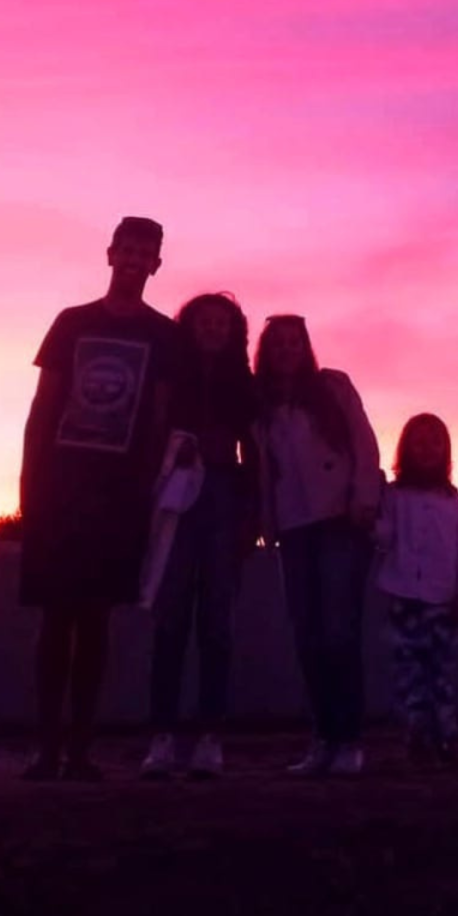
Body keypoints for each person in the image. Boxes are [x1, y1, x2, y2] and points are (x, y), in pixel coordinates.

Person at [18, 216, 187, 781]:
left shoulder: (164, 336)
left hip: (120, 496)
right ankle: (44, 748)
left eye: (148, 253)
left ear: (157, 264)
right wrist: (30, 482)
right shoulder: (72, 323)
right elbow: (44, 406)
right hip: (61, 487)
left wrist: (149, 488)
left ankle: (79, 750)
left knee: (94, 622)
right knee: (54, 619)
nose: (136, 260)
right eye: (129, 249)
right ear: (111, 253)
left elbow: (162, 417)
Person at [253, 314, 382, 777]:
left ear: (306, 348)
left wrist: (364, 497)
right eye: (279, 343)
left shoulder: (333, 388)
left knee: (338, 632)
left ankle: (349, 740)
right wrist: (265, 520)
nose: (287, 349)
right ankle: (322, 739)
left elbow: (365, 445)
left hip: (339, 522)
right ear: (266, 351)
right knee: (307, 637)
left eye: (295, 342)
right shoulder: (262, 406)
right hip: (293, 528)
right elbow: (263, 469)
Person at [140, 293, 260, 780]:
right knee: (170, 619)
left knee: (216, 622)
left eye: (222, 323)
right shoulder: (170, 378)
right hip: (174, 494)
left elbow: (254, 453)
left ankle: (211, 736)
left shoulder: (244, 385)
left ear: (234, 333)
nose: (212, 329)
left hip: (223, 494)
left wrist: (252, 516)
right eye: (204, 321)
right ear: (189, 327)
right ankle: (162, 736)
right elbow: (151, 432)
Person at [374, 413, 458, 766]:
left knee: (441, 674)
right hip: (404, 599)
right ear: (405, 449)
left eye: (435, 441)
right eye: (419, 441)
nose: (427, 448)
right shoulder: (393, 496)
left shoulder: (454, 502)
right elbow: (383, 537)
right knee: (409, 675)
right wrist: (371, 508)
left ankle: (446, 738)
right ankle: (417, 737)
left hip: (443, 602)